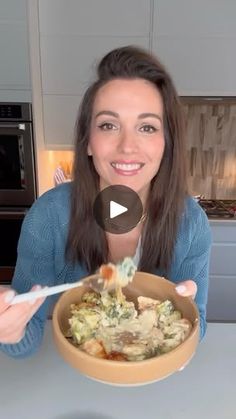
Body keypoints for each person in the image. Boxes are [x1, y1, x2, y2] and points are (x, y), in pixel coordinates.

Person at [0, 45, 211, 358]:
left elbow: (199, 325)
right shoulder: (48, 217)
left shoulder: (190, 222)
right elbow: (26, 339)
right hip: (70, 376)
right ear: (87, 141)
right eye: (109, 125)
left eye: (147, 127)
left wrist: (184, 323)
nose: (127, 146)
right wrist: (9, 328)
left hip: (153, 383)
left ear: (166, 143)